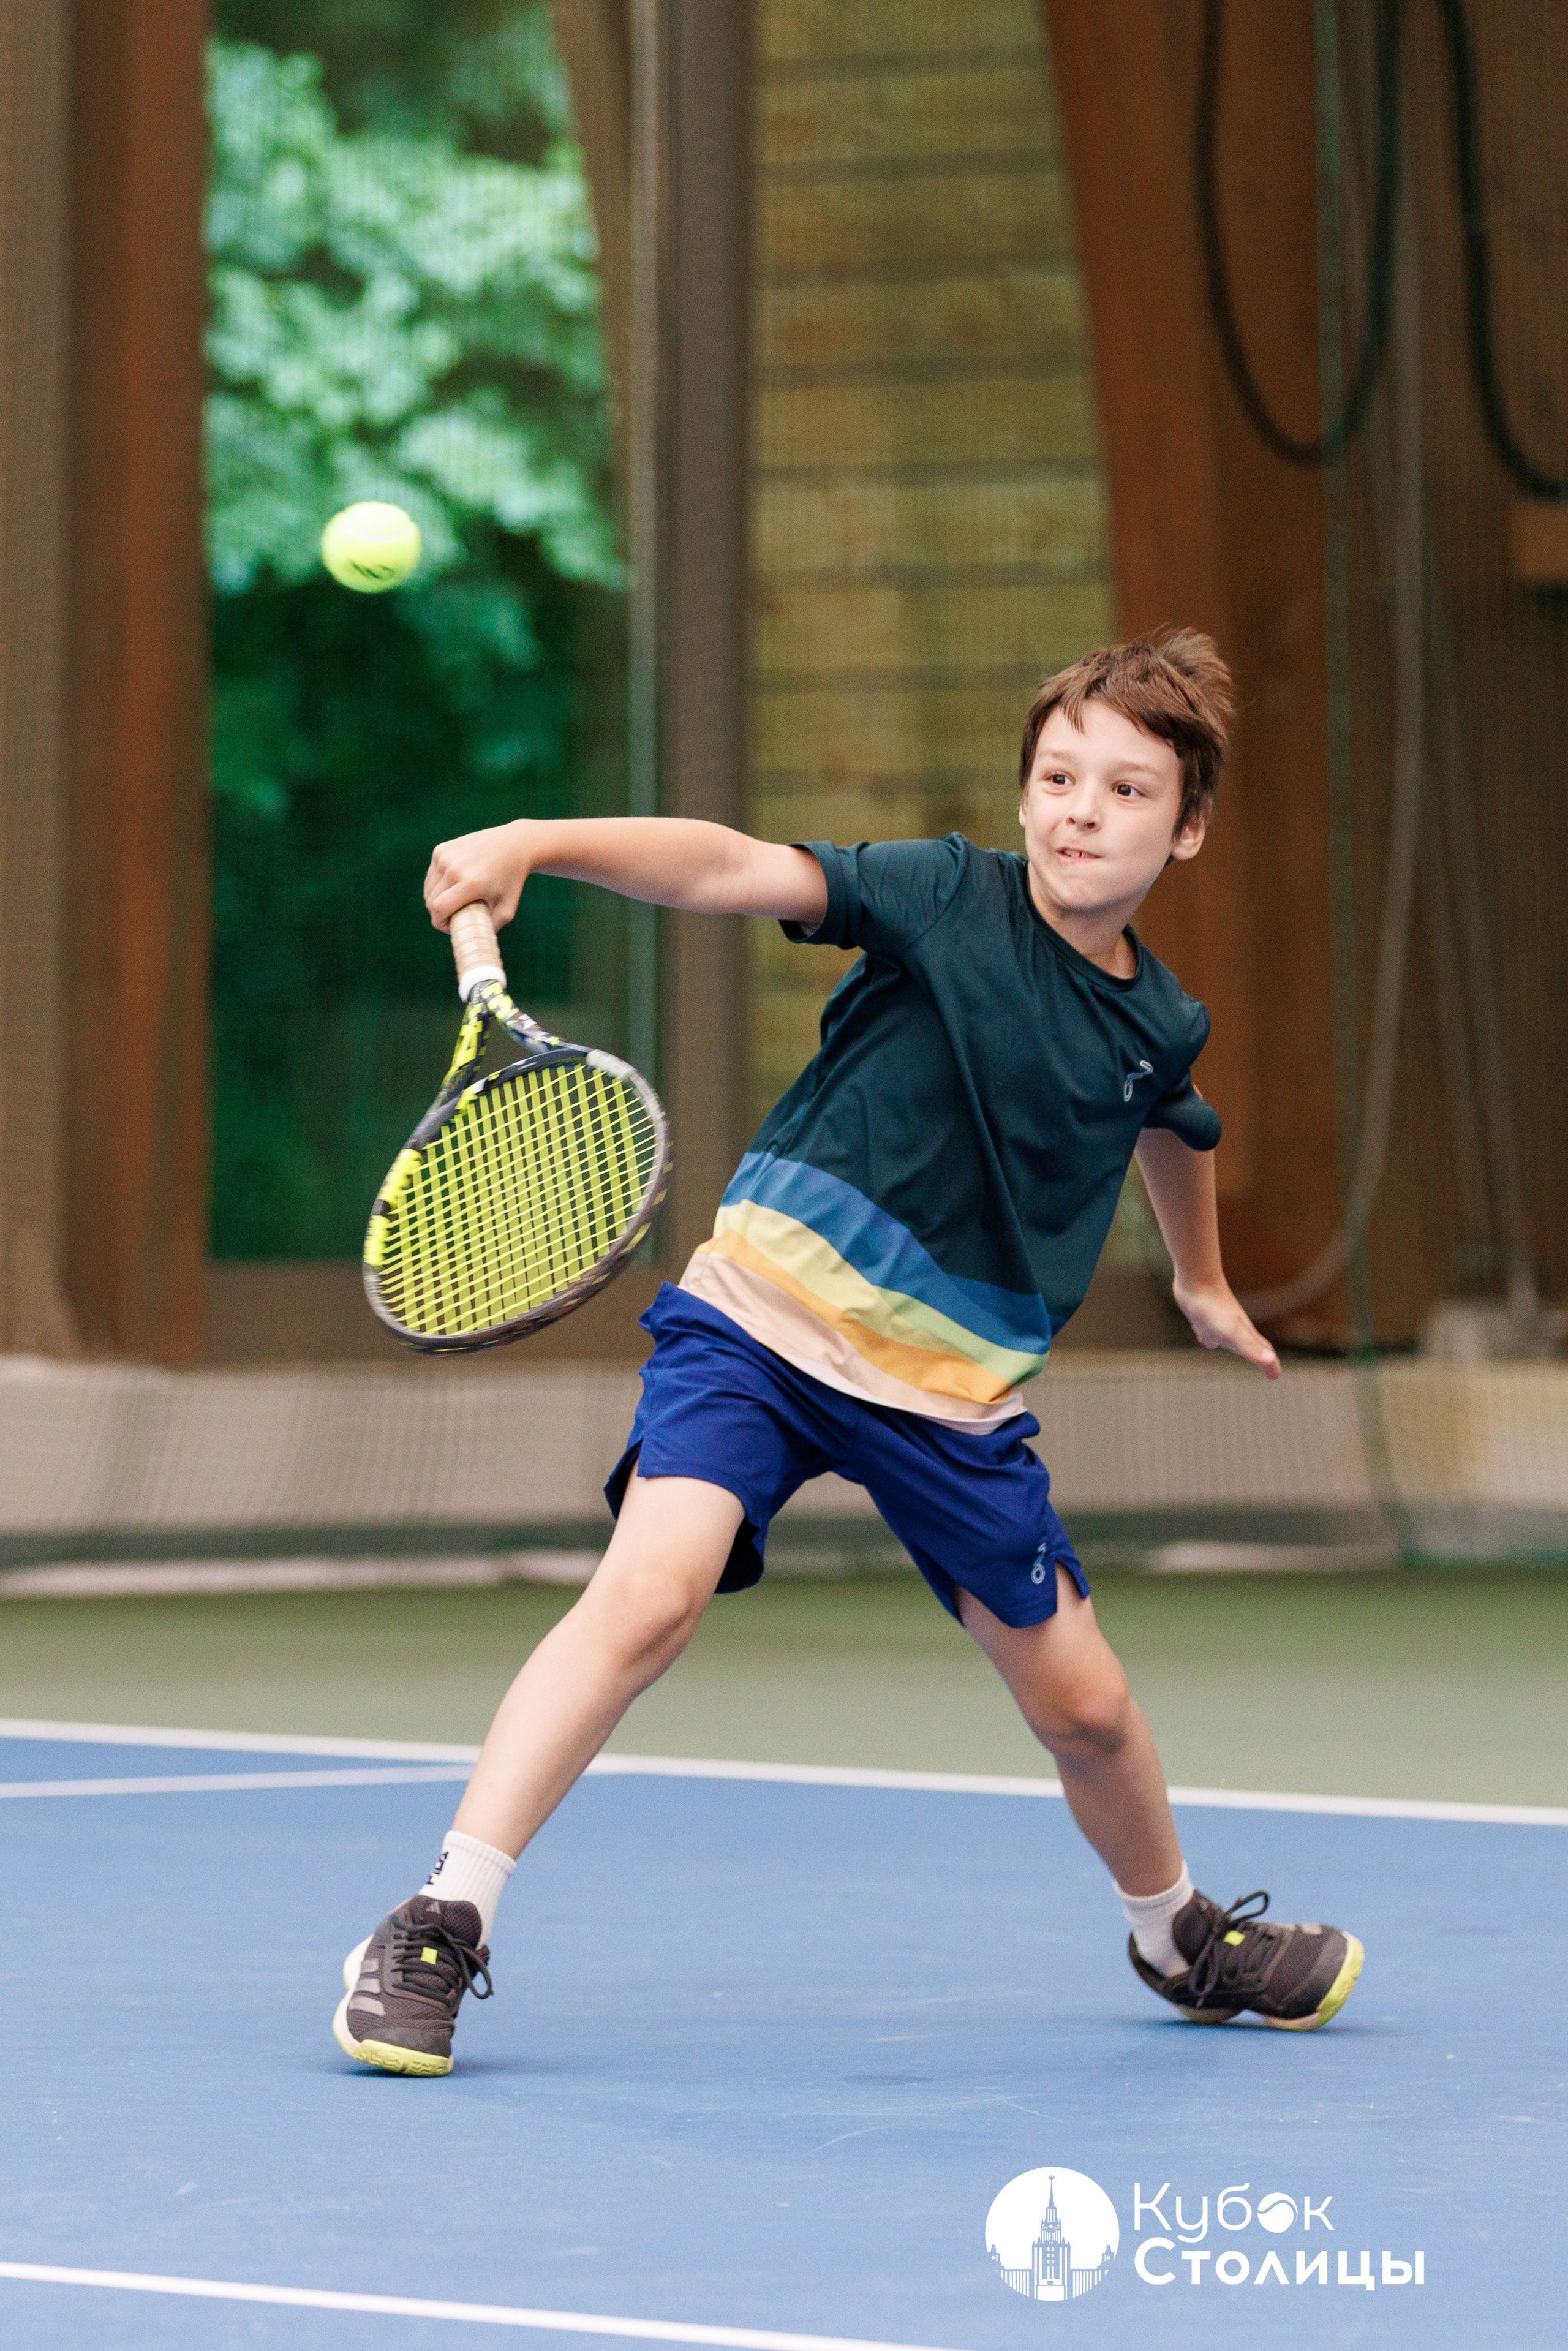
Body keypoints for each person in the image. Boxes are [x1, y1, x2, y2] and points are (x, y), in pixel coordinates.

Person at [331, 630, 1363, 2077]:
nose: (1080, 808)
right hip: (754, 1323)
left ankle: (1175, 1932)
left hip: (948, 1399)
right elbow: (722, 865)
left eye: (1126, 790)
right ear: (1021, 798)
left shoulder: (1153, 1019)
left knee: (1086, 1707)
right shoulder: (943, 896)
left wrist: (1199, 1281)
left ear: (1185, 827)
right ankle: (442, 1914)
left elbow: (1169, 1124)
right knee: (649, 1591)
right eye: (1057, 775)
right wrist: (534, 839)